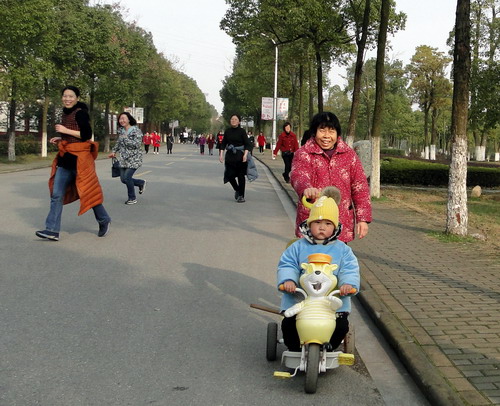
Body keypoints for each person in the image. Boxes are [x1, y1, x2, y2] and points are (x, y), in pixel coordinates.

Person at [277, 187, 359, 351]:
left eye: (328, 223)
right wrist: (288, 280)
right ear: (309, 224)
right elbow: (288, 264)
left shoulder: (342, 250)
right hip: (302, 299)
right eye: (317, 222)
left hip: (332, 302)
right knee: (288, 324)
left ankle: (328, 347)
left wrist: (348, 284)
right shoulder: (298, 247)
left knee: (341, 326)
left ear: (335, 226)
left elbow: (349, 269)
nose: (322, 227)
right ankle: (295, 349)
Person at [36, 86, 111, 241]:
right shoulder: (65, 113)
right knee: (56, 195)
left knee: (88, 192)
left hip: (81, 161)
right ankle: (52, 230)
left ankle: (104, 219)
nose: (67, 99)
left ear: (77, 98)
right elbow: (73, 135)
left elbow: (86, 134)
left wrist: (65, 131)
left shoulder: (80, 113)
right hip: (65, 161)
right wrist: (62, 138)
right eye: (65, 96)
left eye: (71, 96)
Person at [290, 112, 372, 242]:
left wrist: (363, 219)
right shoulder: (304, 153)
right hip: (313, 222)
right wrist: (306, 189)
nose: (327, 136)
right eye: (322, 130)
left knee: (337, 255)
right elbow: (298, 175)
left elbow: (360, 187)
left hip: (341, 222)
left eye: (331, 131)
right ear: (314, 132)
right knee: (312, 256)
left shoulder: (349, 155)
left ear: (337, 134)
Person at [109, 112, 146, 205]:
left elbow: (137, 144)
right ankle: (140, 183)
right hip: (123, 159)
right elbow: (119, 142)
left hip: (134, 159)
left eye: (123, 118)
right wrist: (114, 151)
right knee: (123, 179)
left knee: (127, 177)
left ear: (129, 119)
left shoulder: (136, 131)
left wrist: (126, 138)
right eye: (120, 119)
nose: (121, 120)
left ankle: (132, 198)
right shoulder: (121, 131)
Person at [219, 114, 251, 203]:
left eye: (235, 119)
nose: (233, 121)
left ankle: (241, 196)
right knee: (229, 175)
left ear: (239, 122)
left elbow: (247, 144)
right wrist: (221, 155)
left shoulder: (242, 131)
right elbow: (223, 144)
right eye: (232, 119)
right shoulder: (227, 131)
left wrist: (245, 155)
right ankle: (237, 189)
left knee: (241, 176)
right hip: (230, 156)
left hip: (240, 156)